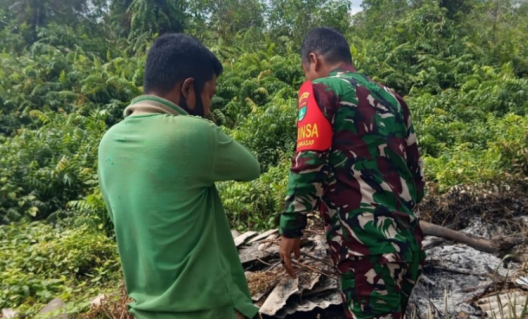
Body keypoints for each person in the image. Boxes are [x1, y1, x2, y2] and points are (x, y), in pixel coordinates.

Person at [98, 33, 262, 319]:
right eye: (208, 95)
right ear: (188, 88)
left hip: (146, 311)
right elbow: (251, 167)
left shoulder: (109, 142)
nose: (209, 108)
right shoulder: (195, 133)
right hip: (209, 311)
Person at [278, 27, 425, 319]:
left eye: (306, 70)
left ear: (313, 60)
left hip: (365, 250)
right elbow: (416, 178)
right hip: (408, 244)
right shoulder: (393, 98)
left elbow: (309, 163)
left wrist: (291, 228)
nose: (307, 77)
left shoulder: (319, 90)